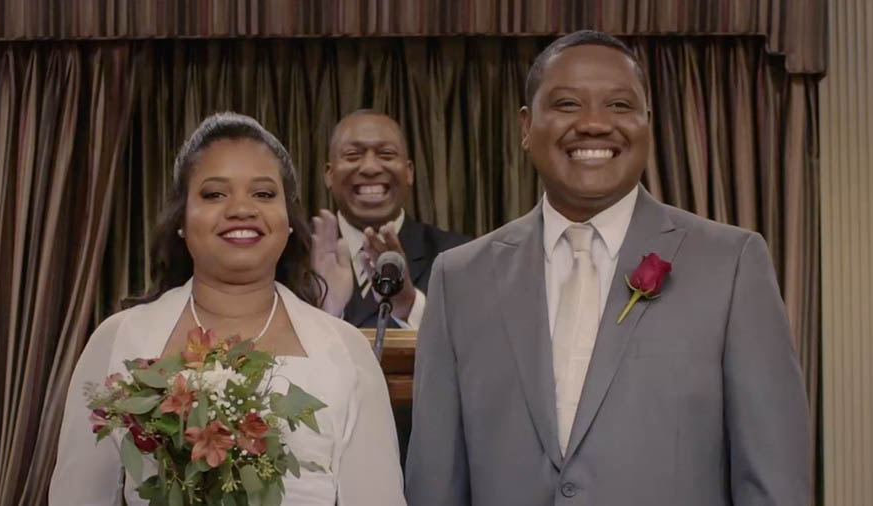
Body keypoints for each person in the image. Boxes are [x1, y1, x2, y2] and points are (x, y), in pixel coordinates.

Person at [405, 31, 810, 506]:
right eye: (567, 104)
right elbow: (436, 481)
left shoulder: (732, 265)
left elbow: (773, 482)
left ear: (647, 124)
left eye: (620, 105)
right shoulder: (460, 278)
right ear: (525, 127)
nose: (595, 124)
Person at [50, 112, 406, 506]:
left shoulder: (346, 349)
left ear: (287, 221)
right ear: (181, 220)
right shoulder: (120, 338)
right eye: (214, 194)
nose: (241, 209)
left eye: (264, 194)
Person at [311, 110, 468, 329]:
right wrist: (323, 313)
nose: (370, 168)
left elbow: (476, 347)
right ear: (329, 174)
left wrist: (407, 305)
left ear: (409, 172)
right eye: (353, 155)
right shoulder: (293, 258)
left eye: (386, 154)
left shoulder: (459, 258)